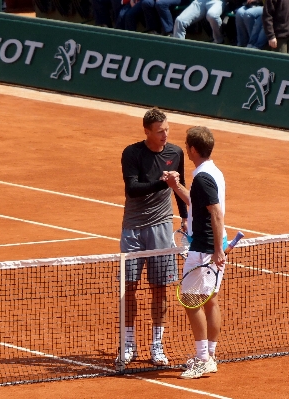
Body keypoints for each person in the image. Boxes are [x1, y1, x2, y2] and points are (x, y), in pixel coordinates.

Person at [119, 107, 188, 366]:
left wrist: (184, 217)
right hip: (133, 229)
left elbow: (179, 189)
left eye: (167, 130)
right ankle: (128, 343)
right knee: (129, 288)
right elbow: (132, 188)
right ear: (147, 131)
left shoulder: (175, 153)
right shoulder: (132, 153)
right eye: (160, 131)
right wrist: (164, 183)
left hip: (161, 228)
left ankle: (156, 345)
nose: (165, 135)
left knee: (160, 290)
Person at [164, 126, 227, 379]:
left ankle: (202, 359)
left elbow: (215, 212)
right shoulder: (212, 172)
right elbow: (197, 203)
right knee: (210, 300)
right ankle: (210, 355)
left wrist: (215, 251)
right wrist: (175, 186)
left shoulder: (203, 177)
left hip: (204, 249)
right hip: (212, 245)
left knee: (191, 301)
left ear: (192, 149)